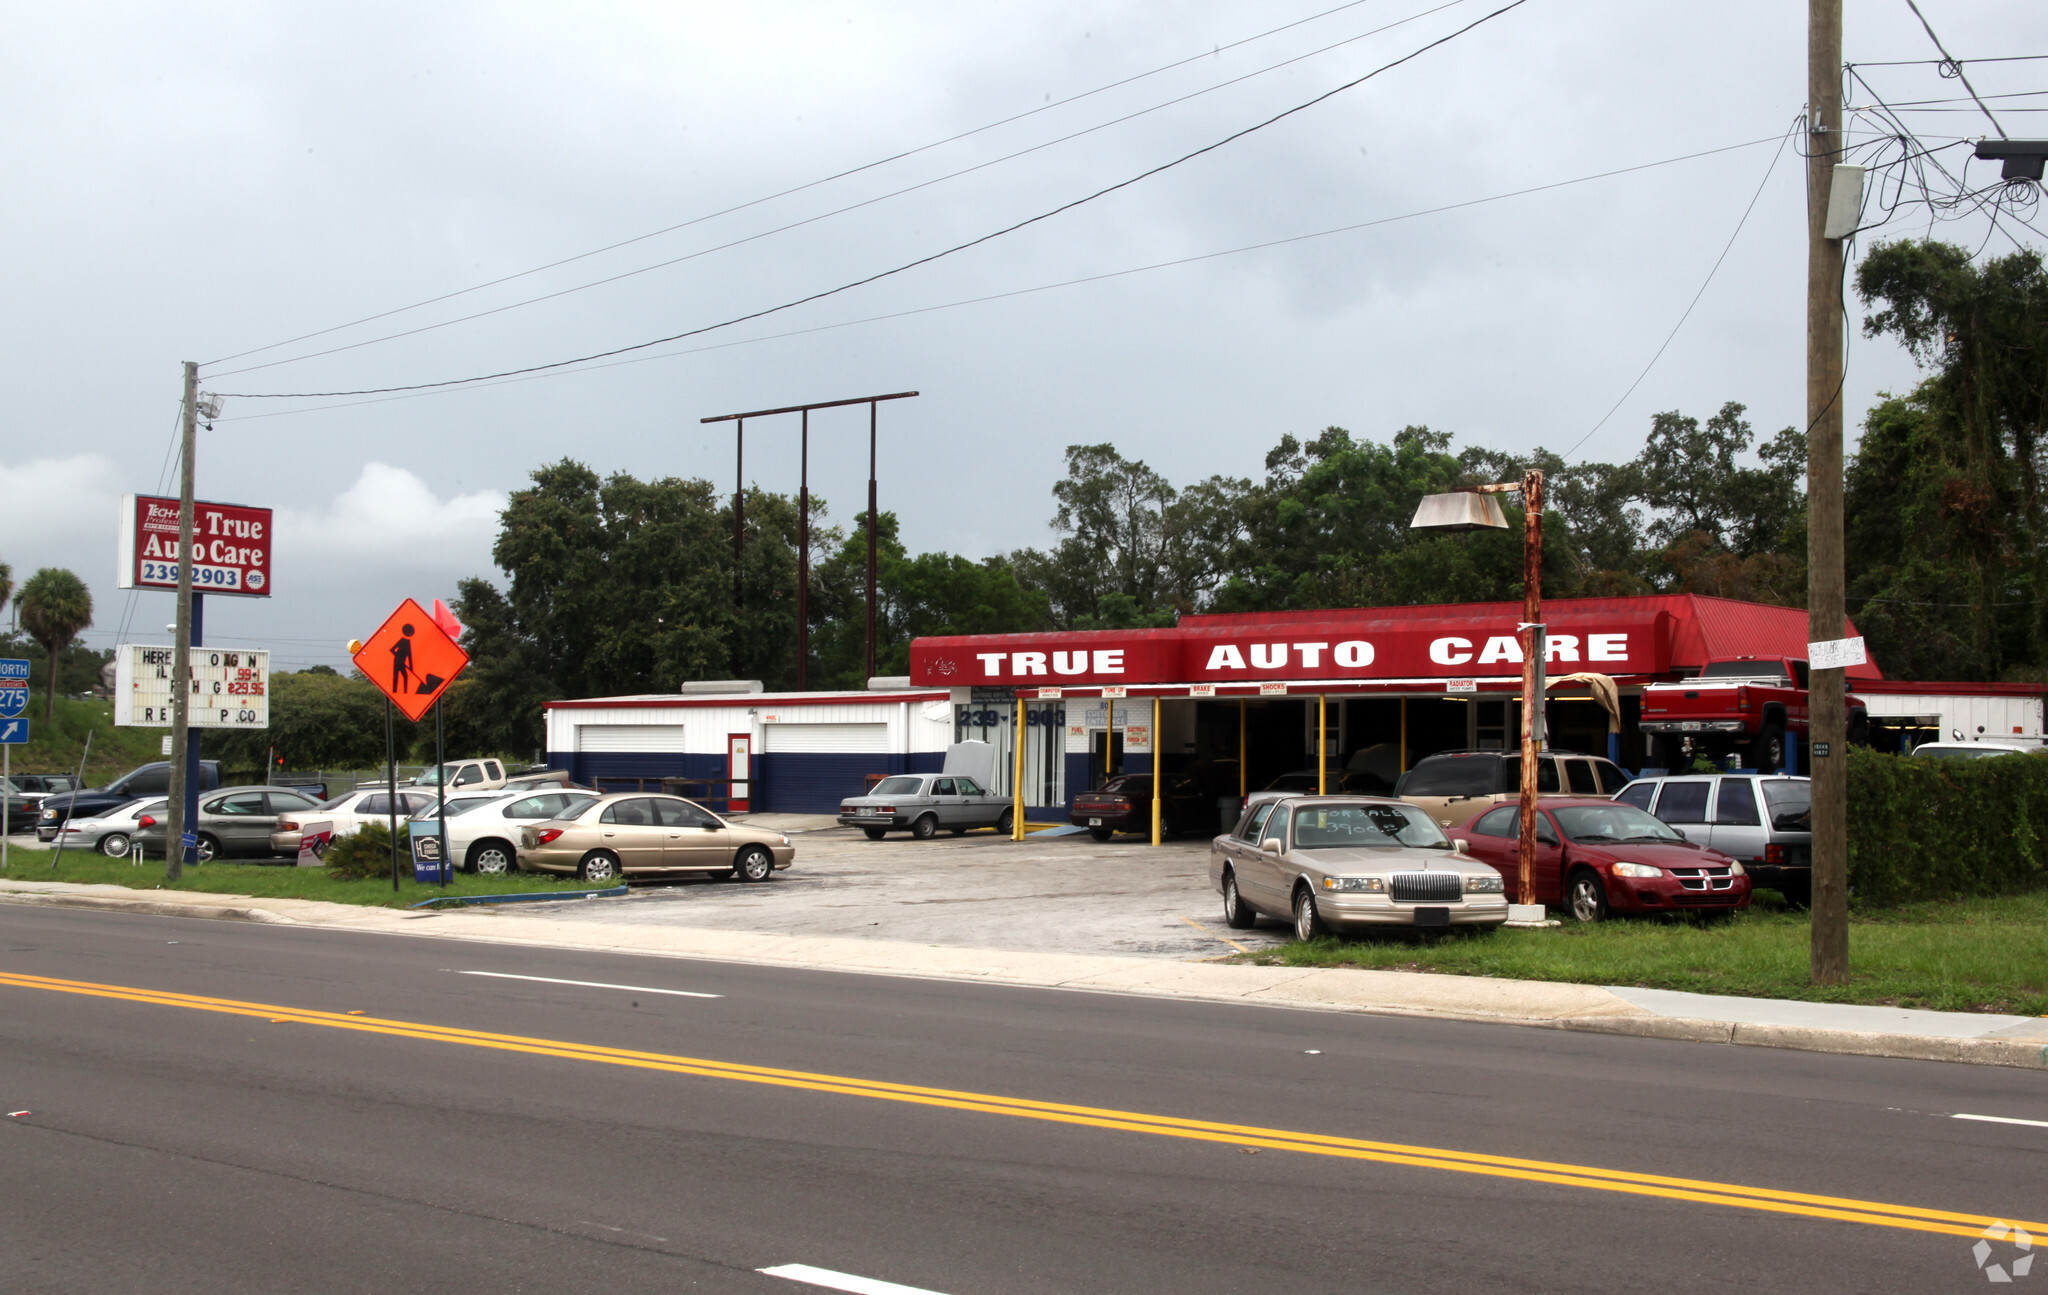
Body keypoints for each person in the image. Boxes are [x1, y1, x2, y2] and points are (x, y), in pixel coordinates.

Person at [390, 624, 416, 694]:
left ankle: (405, 692)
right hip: (397, 662)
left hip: (402, 663)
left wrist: (411, 667)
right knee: (396, 676)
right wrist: (397, 655)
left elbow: (409, 655)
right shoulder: (402, 640)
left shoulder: (408, 642)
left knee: (405, 676)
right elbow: (392, 649)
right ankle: (394, 691)